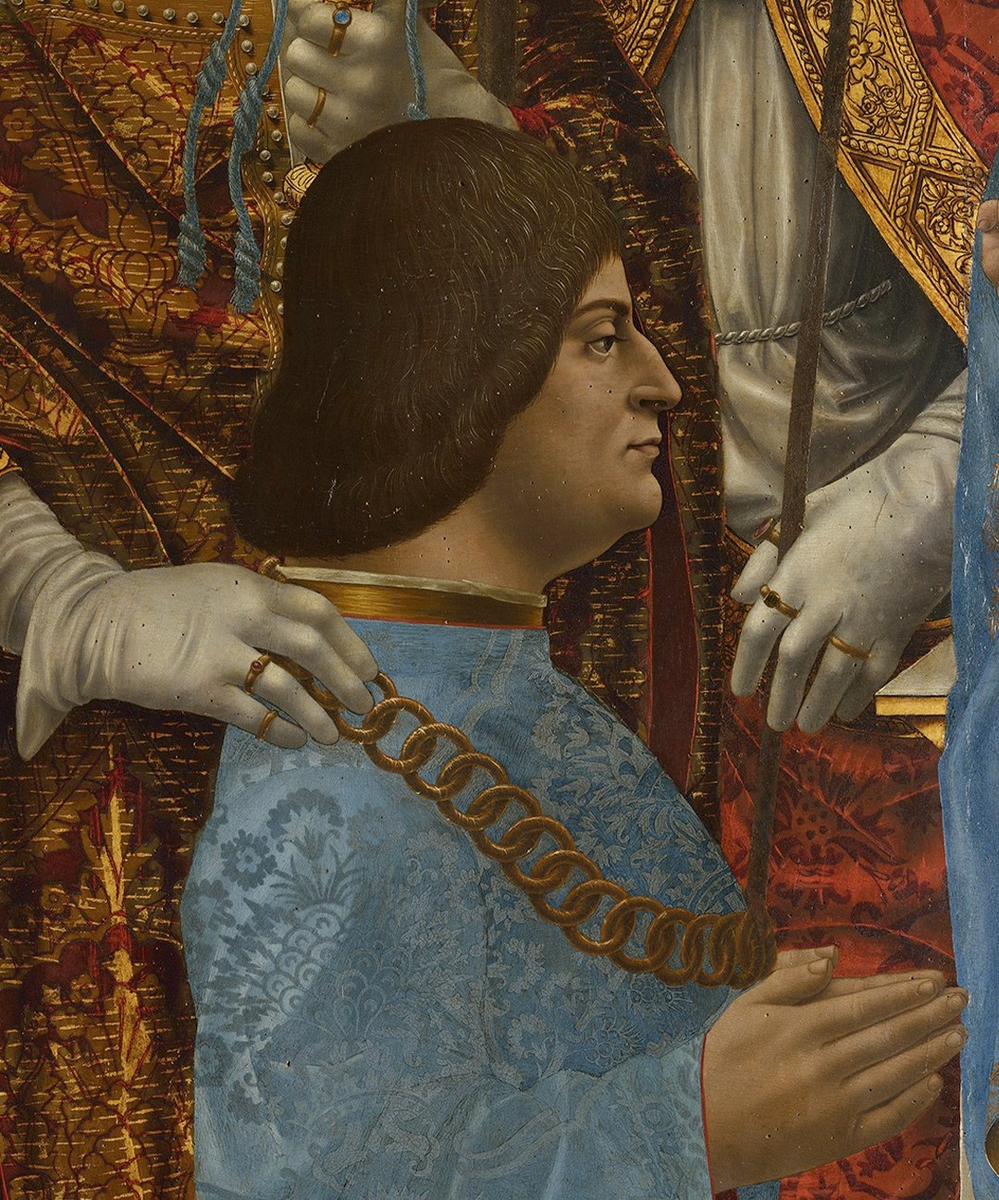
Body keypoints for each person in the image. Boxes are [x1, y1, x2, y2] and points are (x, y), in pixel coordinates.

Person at [181, 116, 969, 1200]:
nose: (664, 383)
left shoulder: (502, 693)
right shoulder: (329, 793)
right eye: (604, 338)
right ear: (455, 362)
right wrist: (691, 1127)